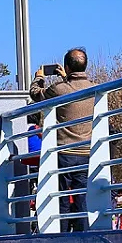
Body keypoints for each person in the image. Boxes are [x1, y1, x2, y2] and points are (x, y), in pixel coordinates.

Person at [30, 47, 94, 232]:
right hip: (86, 152)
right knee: (82, 198)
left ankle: (62, 233)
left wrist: (39, 77)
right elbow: (74, 89)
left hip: (64, 152)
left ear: (67, 66)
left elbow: (36, 93)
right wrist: (66, 77)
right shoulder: (94, 88)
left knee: (62, 198)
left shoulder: (59, 89)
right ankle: (84, 234)